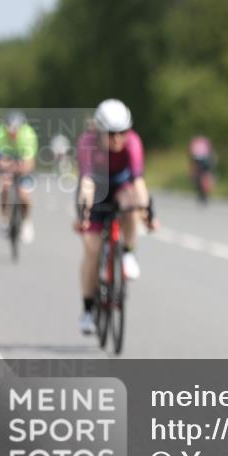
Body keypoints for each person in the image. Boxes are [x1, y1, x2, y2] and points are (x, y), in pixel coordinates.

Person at [74, 99, 157, 335]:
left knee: (131, 202)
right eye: (111, 134)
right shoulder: (87, 143)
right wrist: (84, 213)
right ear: (99, 132)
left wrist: (147, 212)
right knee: (92, 251)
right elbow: (87, 184)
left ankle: (128, 252)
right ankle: (88, 310)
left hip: (120, 185)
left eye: (123, 132)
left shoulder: (133, 143)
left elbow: (139, 183)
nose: (118, 139)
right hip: (95, 189)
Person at [0, 111, 38, 244]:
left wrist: (20, 168)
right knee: (4, 186)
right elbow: (0, 162)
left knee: (24, 195)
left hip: (23, 164)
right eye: (10, 130)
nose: (12, 133)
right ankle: (4, 218)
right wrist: (8, 167)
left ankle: (27, 222)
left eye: (15, 130)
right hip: (7, 163)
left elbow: (30, 163)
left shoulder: (28, 135)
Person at [188, 134, 215, 201]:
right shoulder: (204, 141)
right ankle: (203, 187)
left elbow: (190, 152)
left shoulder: (195, 141)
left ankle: (204, 187)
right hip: (203, 161)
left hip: (201, 161)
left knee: (201, 175)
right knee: (201, 175)